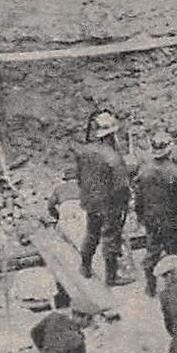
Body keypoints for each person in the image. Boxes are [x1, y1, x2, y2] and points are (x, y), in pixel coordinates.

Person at [75, 109, 132, 286]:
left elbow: (79, 177)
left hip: (90, 201)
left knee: (91, 234)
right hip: (109, 204)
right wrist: (124, 204)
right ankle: (111, 276)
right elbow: (121, 186)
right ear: (111, 135)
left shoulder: (84, 152)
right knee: (111, 237)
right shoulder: (114, 158)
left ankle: (85, 267)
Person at [134, 132, 177, 297]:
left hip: (151, 218)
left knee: (152, 250)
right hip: (172, 219)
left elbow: (138, 199)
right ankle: (176, 285)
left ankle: (150, 286)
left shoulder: (143, 171)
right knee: (174, 252)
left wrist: (141, 216)